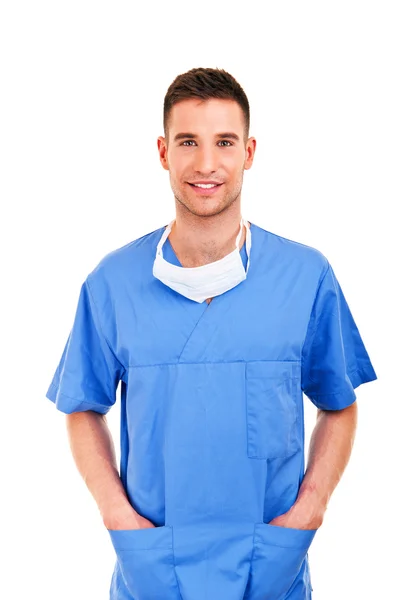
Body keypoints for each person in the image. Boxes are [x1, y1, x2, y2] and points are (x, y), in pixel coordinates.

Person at [45, 67, 377, 600]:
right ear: (162, 152)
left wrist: (309, 510)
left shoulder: (306, 277)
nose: (206, 164)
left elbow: (339, 404)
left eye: (224, 142)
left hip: (271, 568)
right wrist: (116, 514)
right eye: (188, 142)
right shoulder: (112, 283)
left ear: (248, 152)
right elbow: (82, 406)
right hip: (153, 567)